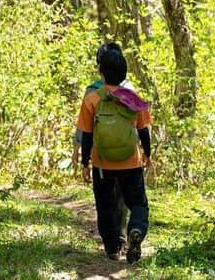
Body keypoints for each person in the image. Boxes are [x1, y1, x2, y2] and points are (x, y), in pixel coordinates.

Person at [76, 44, 151, 264]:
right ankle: (135, 229)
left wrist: (85, 163)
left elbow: (87, 135)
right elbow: (143, 130)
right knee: (138, 204)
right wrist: (147, 154)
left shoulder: (92, 98)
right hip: (131, 163)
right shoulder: (133, 97)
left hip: (102, 164)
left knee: (105, 206)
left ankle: (112, 248)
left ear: (101, 71)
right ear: (124, 73)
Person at [73, 43, 132, 244]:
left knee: (105, 196)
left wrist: (78, 151)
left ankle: (111, 237)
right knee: (122, 193)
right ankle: (122, 232)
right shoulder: (129, 90)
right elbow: (140, 124)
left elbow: (85, 126)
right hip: (127, 153)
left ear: (100, 66)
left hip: (101, 154)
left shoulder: (93, 91)